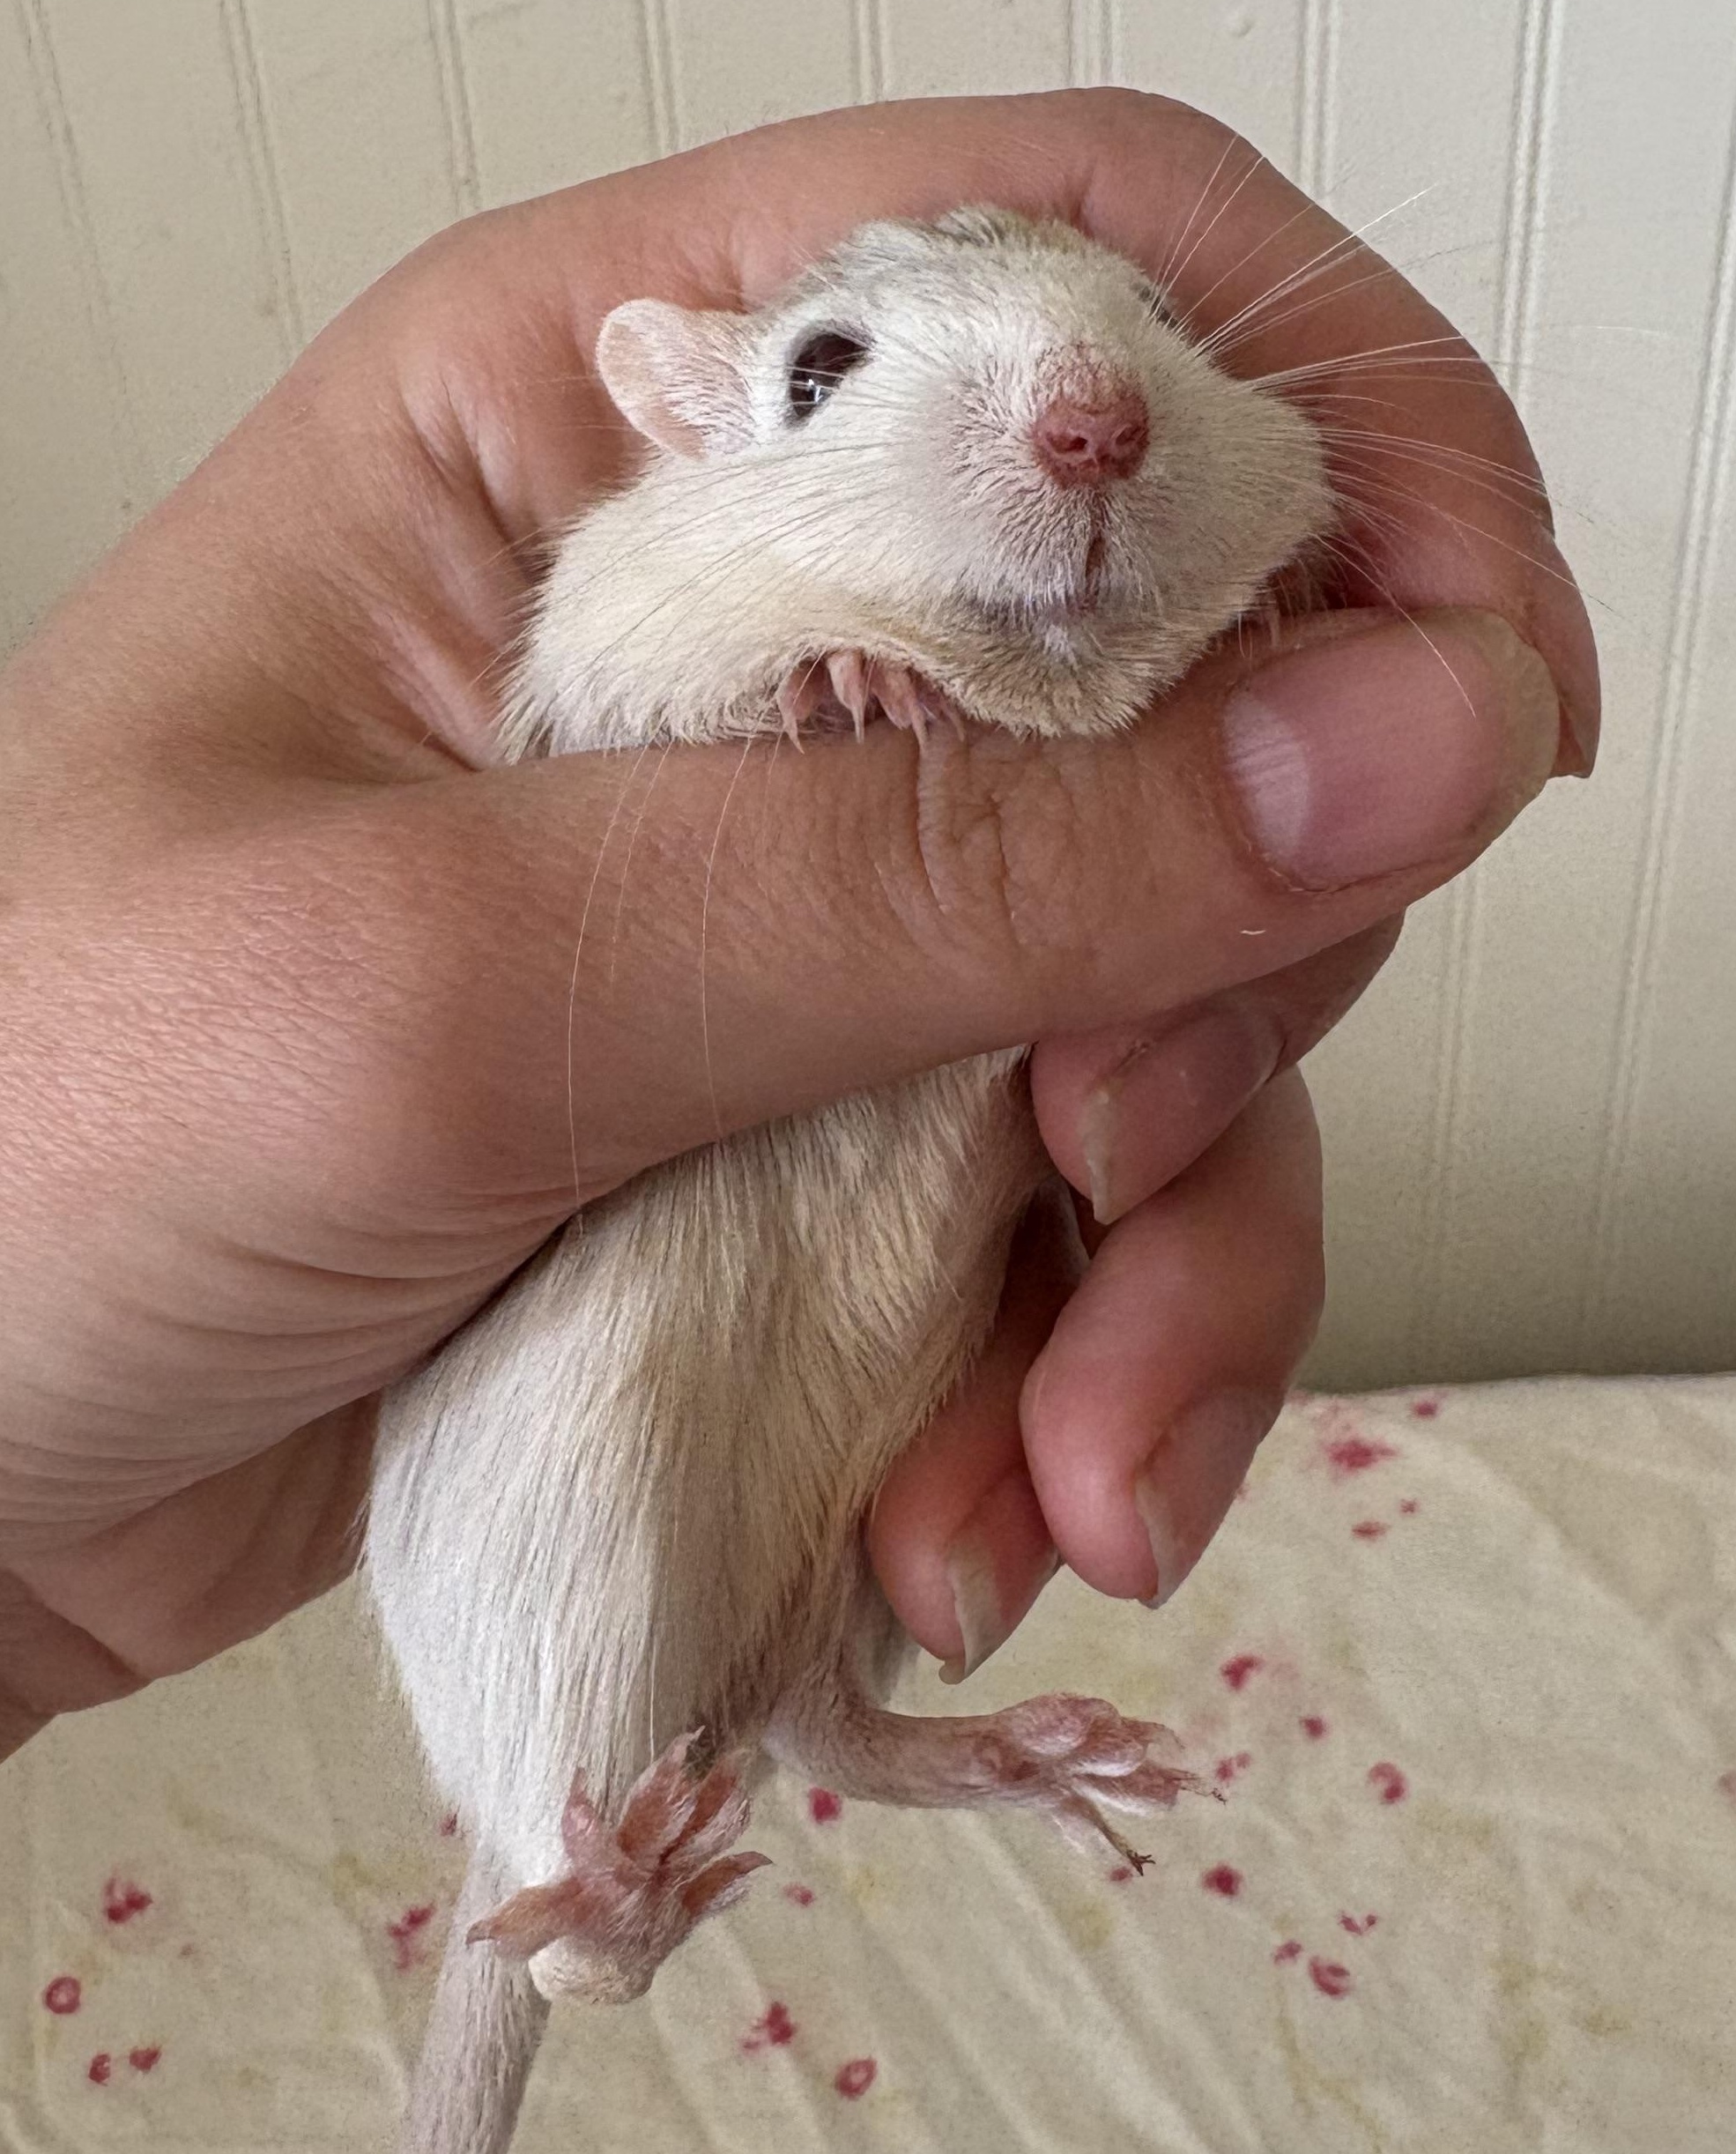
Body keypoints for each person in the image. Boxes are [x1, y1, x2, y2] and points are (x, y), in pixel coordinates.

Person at [0, 89, 1596, 1762]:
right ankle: (596, 1826)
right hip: (633, 1267)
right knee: (645, 1406)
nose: (1088, 415)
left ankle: (839, 1729)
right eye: (830, 372)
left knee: (900, 1422)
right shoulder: (649, 581)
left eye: (1152, 326)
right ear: (691, 416)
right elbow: (613, 687)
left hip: (849, 1265)